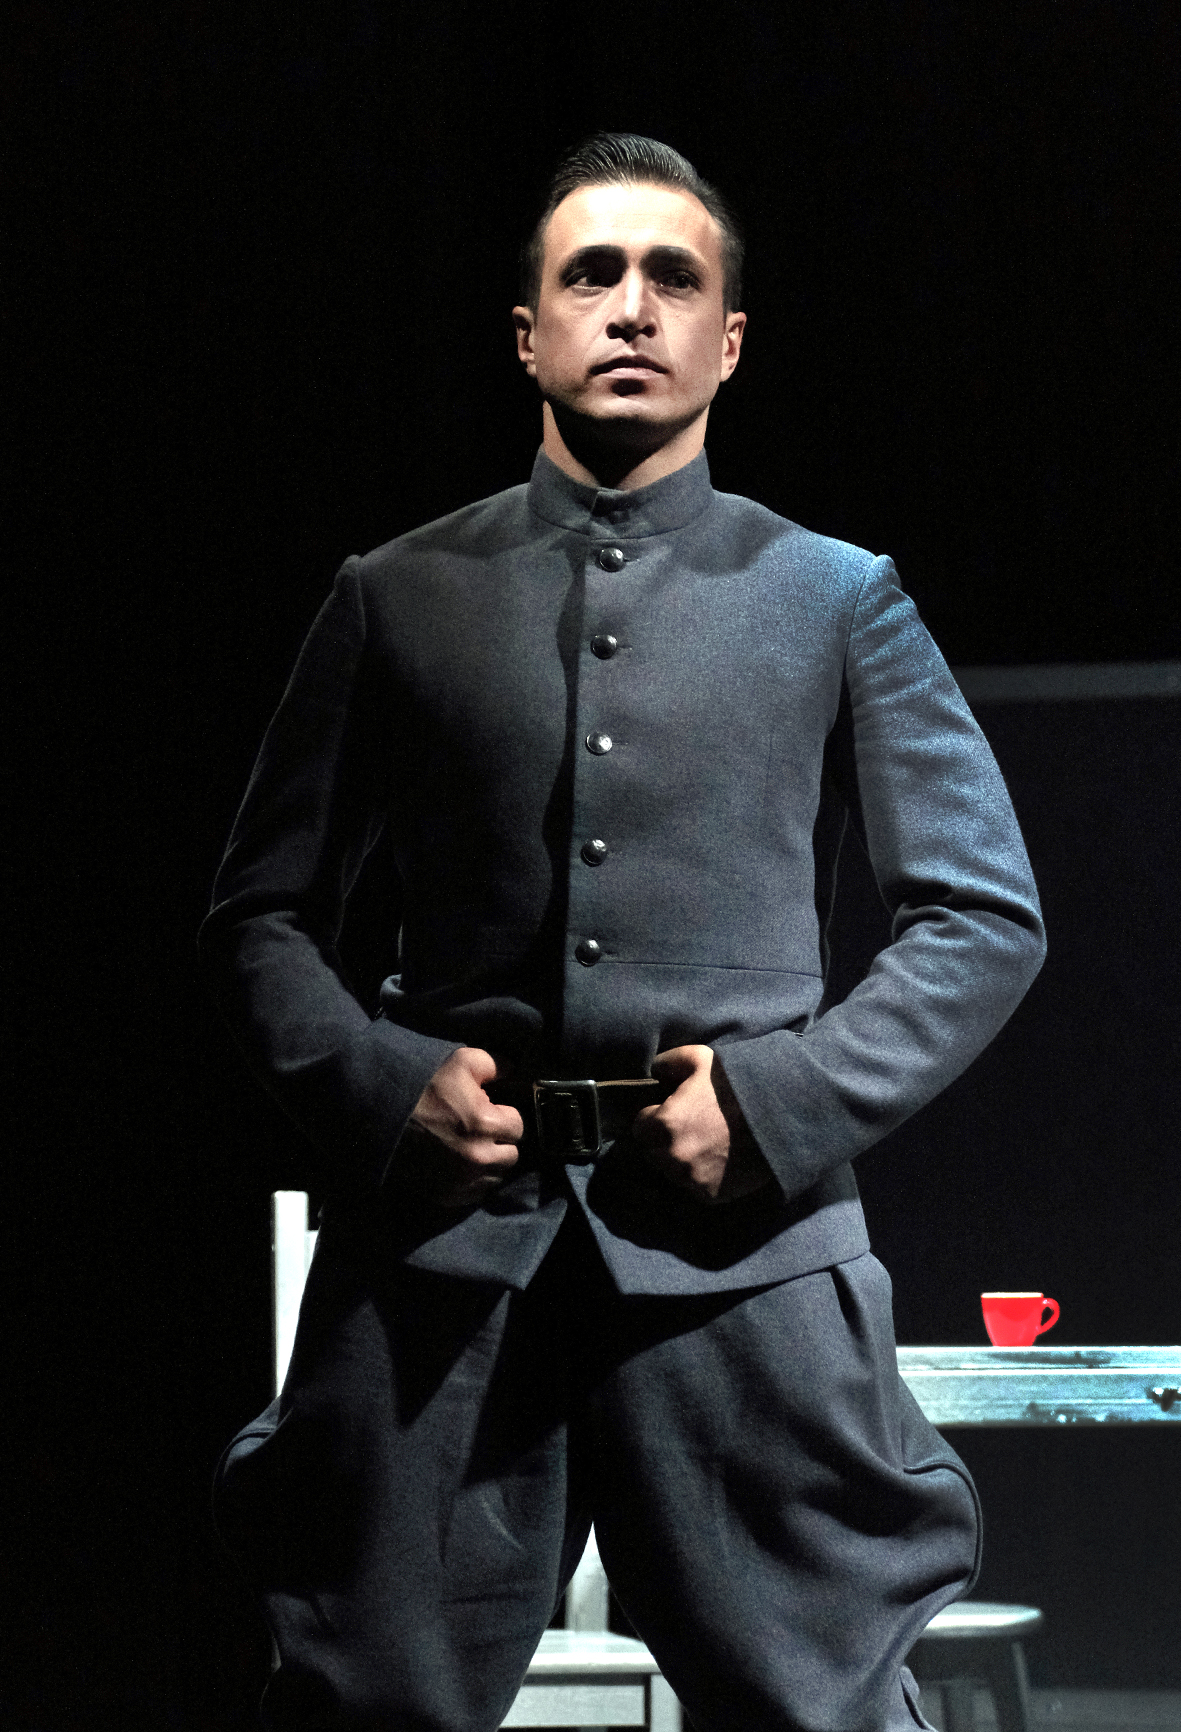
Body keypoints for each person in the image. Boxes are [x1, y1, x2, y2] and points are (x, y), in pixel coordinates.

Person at [201, 134, 1046, 1732]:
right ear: (527, 334)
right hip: (440, 1268)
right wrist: (379, 1088)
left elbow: (980, 916)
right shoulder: (395, 594)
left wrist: (779, 1105)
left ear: (729, 341)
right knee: (361, 1705)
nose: (633, 306)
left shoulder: (835, 595)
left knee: (814, 1709)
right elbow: (255, 917)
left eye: (674, 278)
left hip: (743, 1267)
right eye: (591, 274)